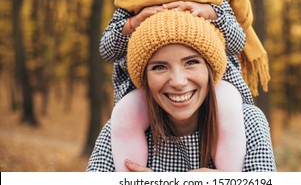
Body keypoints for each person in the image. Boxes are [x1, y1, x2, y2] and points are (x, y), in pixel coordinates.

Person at [97, 0, 270, 172]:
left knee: (228, 108)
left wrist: (214, 14)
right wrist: (132, 24)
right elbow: (106, 50)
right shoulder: (130, 5)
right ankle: (129, 175)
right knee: (124, 115)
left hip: (217, 85)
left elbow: (237, 42)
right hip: (144, 90)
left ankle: (229, 175)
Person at [88, 10, 276, 172]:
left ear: (211, 69)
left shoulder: (249, 123)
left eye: (192, 62)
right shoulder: (121, 131)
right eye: (159, 67)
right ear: (144, 78)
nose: (178, 82)